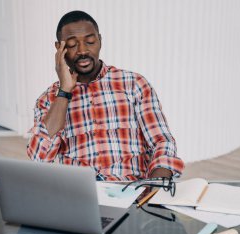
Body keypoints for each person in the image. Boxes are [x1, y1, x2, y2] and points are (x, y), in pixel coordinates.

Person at [27, 10, 184, 181]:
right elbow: (39, 159)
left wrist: (154, 185)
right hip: (80, 194)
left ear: (100, 41)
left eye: (90, 41)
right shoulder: (48, 99)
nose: (82, 51)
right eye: (72, 44)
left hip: (131, 190)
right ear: (59, 49)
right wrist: (64, 91)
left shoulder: (134, 84)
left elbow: (162, 142)